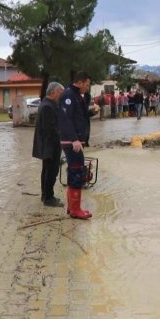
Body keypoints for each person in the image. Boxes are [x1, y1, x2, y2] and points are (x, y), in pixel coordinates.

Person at [58, 71, 99, 220]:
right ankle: (76, 210)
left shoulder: (77, 96)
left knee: (75, 171)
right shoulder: (68, 95)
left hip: (75, 141)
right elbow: (65, 119)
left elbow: (80, 116)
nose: (87, 88)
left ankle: (72, 207)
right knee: (76, 172)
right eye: (87, 85)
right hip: (71, 142)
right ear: (80, 82)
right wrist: (74, 139)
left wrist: (91, 111)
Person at [32, 82, 65, 208]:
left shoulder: (50, 104)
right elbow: (50, 129)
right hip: (50, 145)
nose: (61, 96)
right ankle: (48, 198)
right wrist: (63, 137)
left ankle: (45, 195)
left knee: (47, 170)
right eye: (60, 93)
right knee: (51, 171)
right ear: (53, 92)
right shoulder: (47, 106)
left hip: (50, 144)